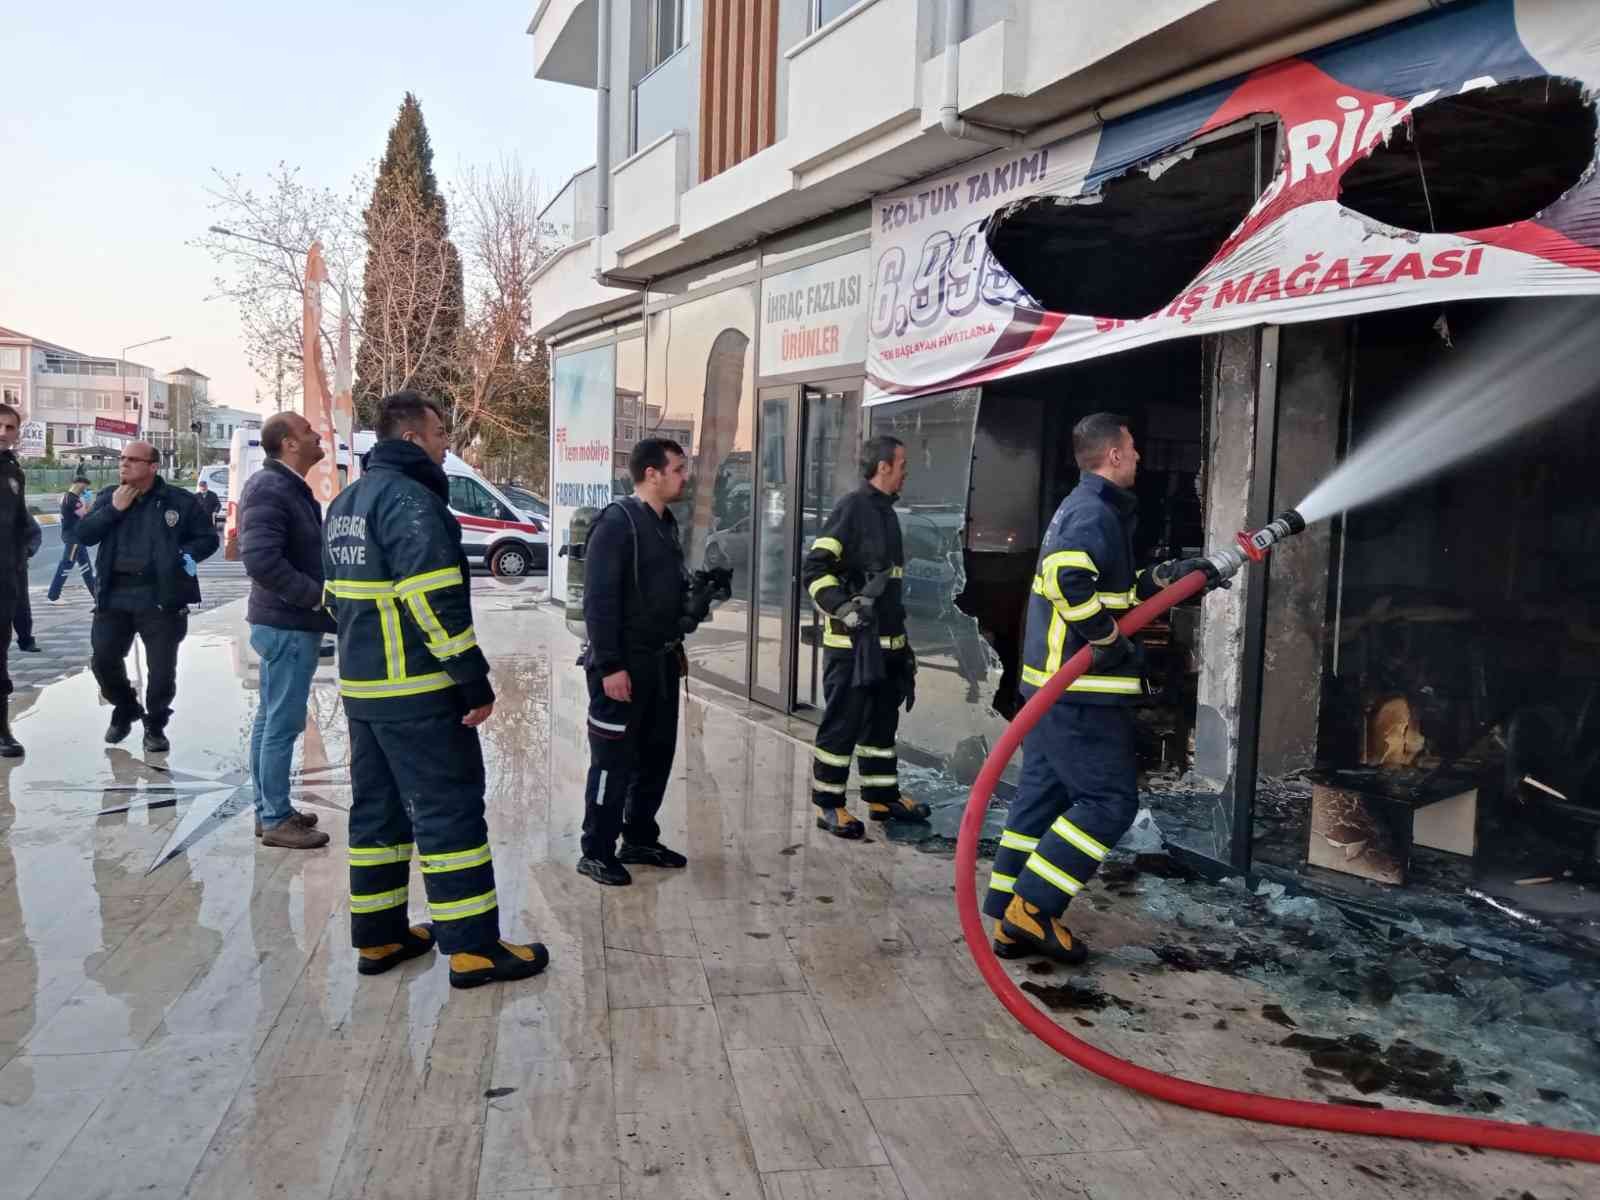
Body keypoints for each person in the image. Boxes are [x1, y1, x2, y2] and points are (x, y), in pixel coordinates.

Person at [324, 391, 547, 988]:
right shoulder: (413, 503)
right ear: (414, 438)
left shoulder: (346, 502)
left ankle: (380, 937)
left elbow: (332, 598)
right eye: (441, 432)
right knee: (449, 813)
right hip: (418, 693)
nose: (447, 444)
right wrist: (471, 677)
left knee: (379, 815)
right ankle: (473, 948)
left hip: (365, 690)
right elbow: (432, 600)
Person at [982, 413, 1222, 964]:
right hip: (1080, 693)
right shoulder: (1094, 511)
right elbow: (1071, 578)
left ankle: (1005, 913)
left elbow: (1111, 587)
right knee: (1109, 802)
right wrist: (1109, 640)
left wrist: (1170, 577)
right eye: (1133, 448)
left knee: (1041, 800)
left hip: (1050, 694)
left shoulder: (1085, 507)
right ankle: (1033, 909)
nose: (1139, 456)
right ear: (1113, 455)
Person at [577, 437, 725, 886]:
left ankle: (639, 837)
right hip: (624, 666)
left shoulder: (664, 524)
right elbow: (598, 602)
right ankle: (596, 850)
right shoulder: (617, 524)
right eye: (679, 469)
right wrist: (610, 667)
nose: (686, 477)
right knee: (613, 763)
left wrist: (694, 603)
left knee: (655, 758)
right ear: (651, 474)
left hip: (661, 664)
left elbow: (662, 595)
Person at [800, 435, 929, 839]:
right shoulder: (853, 509)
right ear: (884, 466)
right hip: (852, 649)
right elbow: (815, 570)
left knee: (880, 728)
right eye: (903, 463)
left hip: (887, 648)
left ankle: (881, 797)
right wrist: (843, 608)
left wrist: (902, 646)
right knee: (842, 727)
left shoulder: (886, 513)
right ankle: (829, 805)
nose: (907, 471)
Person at [76, 440, 219, 754]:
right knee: (103, 659)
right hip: (114, 596)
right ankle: (125, 706)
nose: (124, 464)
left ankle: (155, 725)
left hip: (160, 598)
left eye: (133, 460)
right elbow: (84, 534)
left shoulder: (179, 501)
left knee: (161, 672)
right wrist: (113, 510)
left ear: (153, 466)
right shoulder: (109, 497)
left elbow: (208, 539)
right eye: (122, 459)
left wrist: (185, 554)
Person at [239, 412, 333, 850]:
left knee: (270, 720)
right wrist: (316, 597)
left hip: (287, 622)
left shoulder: (285, 487)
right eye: (309, 431)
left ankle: (269, 808)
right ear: (289, 443)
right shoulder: (271, 488)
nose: (317, 436)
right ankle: (275, 817)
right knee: (281, 723)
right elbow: (260, 560)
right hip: (286, 624)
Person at [0, 404, 42, 756]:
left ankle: (2, 730)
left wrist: (25, 546)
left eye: (10, 427)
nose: (3, 432)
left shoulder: (14, 470)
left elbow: (19, 519)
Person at [46, 474, 98, 601]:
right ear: (79, 483)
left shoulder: (65, 496)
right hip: (73, 539)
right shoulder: (74, 500)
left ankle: (97, 596)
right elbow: (86, 515)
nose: (85, 490)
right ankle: (53, 593)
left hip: (75, 537)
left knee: (86, 567)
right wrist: (90, 502)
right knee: (67, 564)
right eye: (85, 487)